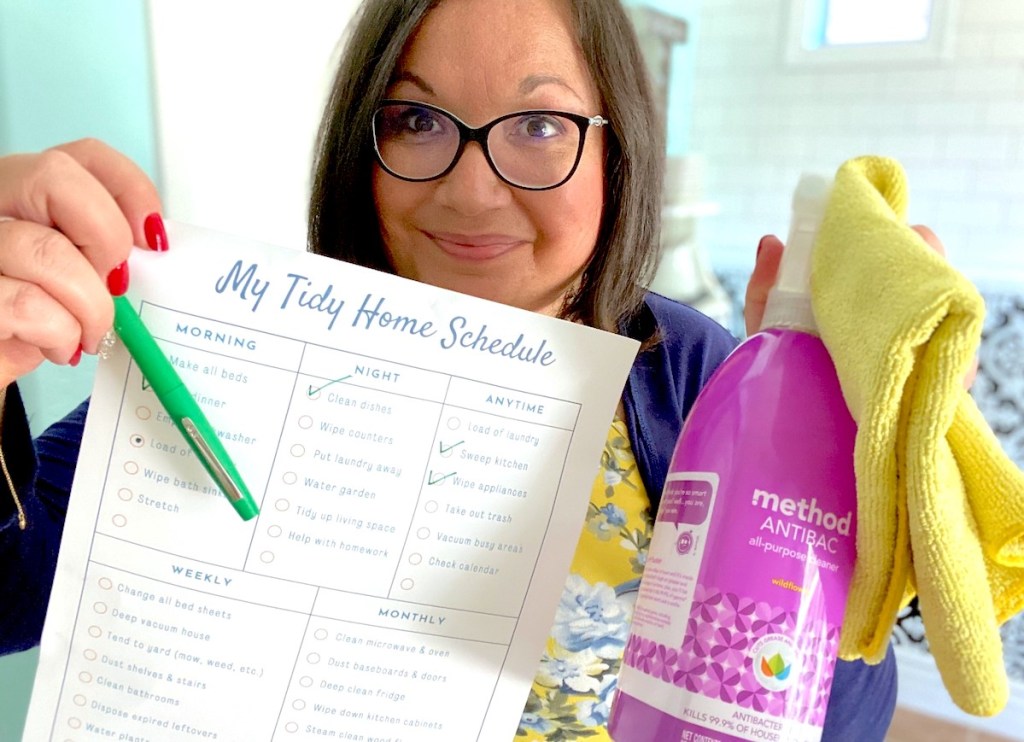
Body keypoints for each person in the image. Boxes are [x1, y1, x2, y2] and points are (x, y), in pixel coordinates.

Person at [0, 0, 908, 738]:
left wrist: (837, 503)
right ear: (365, 144)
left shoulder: (697, 378)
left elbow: (837, 717)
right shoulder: (243, 354)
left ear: (616, 148)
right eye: (417, 119)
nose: (473, 189)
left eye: (543, 124)